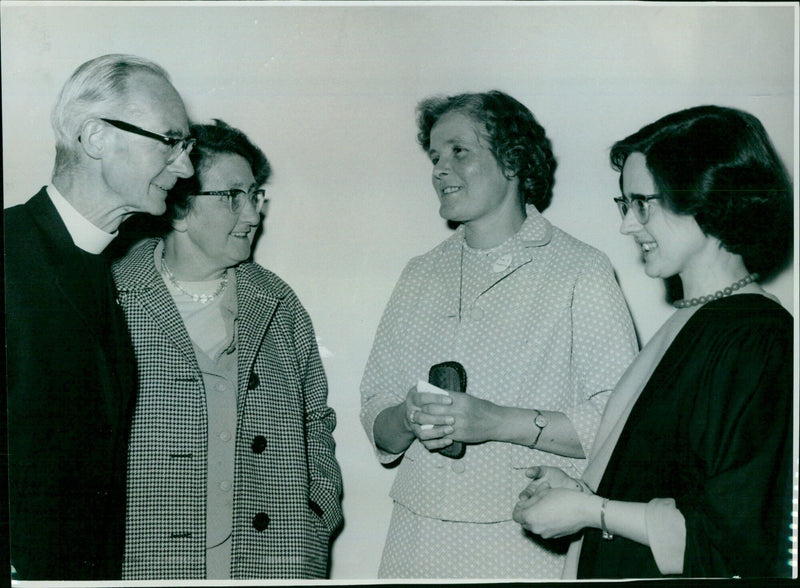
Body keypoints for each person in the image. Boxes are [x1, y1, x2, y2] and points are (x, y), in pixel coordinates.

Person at [360, 90, 638, 578]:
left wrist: (495, 422)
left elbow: (621, 425)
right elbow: (374, 411)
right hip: (416, 542)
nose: (440, 168)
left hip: (524, 539)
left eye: (459, 151)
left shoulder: (581, 270)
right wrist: (405, 417)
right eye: (435, 156)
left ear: (512, 160)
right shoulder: (419, 273)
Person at [512, 105, 794, 579]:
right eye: (626, 205)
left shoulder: (757, 340)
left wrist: (592, 512)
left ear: (705, 197)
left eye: (643, 203)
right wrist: (583, 492)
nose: (627, 225)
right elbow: (670, 483)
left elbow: (736, 538)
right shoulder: (693, 320)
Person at [112, 119, 343, 580]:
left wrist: (318, 512)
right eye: (234, 197)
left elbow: (315, 419)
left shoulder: (277, 301)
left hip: (270, 559)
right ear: (179, 209)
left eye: (255, 196)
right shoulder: (114, 296)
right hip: (145, 561)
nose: (254, 215)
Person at [4, 54, 193, 581]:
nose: (186, 168)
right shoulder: (7, 255)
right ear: (94, 138)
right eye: (170, 142)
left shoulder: (103, 271)